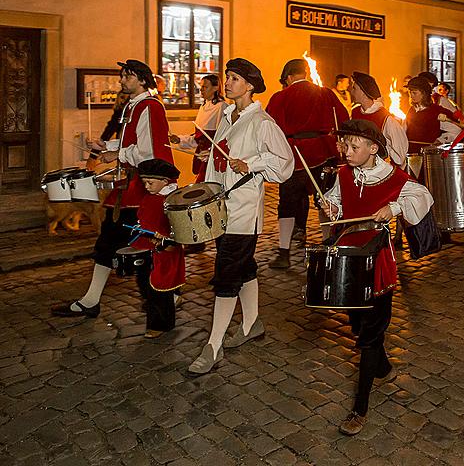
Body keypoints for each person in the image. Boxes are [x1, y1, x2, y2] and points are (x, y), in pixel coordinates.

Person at [320, 119, 434, 436]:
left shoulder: (394, 177)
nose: (347, 151)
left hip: (378, 260)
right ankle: (382, 365)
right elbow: (337, 201)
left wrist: (394, 207)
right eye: (345, 145)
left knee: (370, 333)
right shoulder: (344, 174)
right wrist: (331, 207)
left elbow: (422, 197)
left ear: (373, 149)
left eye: (355, 146)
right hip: (347, 257)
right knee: (357, 324)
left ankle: (360, 407)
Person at [188, 58, 294, 375]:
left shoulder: (261, 122)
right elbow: (219, 155)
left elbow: (284, 163)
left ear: (249, 85)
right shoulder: (227, 116)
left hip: (243, 212)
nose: (228, 82)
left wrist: (252, 164)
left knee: (226, 275)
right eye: (227, 77)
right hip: (221, 208)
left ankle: (214, 345)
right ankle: (251, 324)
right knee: (243, 267)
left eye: (234, 78)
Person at [52, 60, 174, 318]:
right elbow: (134, 142)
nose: (121, 81)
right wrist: (105, 145)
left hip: (144, 188)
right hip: (133, 187)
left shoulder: (149, 107)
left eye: (127, 76)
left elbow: (148, 150)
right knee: (116, 243)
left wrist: (117, 155)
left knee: (130, 244)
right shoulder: (136, 106)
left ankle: (165, 297)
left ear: (141, 79)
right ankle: (94, 300)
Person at [266, 58, 349, 269]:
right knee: (325, 201)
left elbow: (269, 128)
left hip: (293, 156)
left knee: (287, 205)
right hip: (324, 151)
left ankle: (284, 253)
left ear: (289, 77)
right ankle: (328, 247)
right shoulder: (326, 93)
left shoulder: (280, 97)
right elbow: (342, 117)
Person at [132, 158, 186, 338]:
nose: (146, 186)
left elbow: (179, 227)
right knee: (144, 281)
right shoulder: (149, 198)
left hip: (164, 251)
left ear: (165, 181)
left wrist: (166, 237)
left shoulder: (172, 201)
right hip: (146, 247)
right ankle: (159, 306)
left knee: (159, 287)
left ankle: (161, 324)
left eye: (150, 182)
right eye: (144, 183)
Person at [171, 74, 227, 179]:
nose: (201, 90)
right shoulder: (203, 106)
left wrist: (211, 152)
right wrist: (180, 139)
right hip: (201, 155)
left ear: (215, 88)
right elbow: (198, 137)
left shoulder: (222, 107)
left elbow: (222, 138)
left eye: (205, 87)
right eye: (201, 87)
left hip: (212, 158)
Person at [404, 75, 462, 177]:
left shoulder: (437, 111)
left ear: (423, 93)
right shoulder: (411, 110)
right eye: (410, 93)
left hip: (429, 158)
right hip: (411, 157)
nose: (411, 96)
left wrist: (440, 140)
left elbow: (456, 130)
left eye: (414, 93)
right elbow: (404, 130)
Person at [349, 71, 408, 169]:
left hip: (378, 172)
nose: (351, 92)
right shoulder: (355, 112)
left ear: (364, 93)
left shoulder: (386, 119)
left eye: (354, 88)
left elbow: (399, 157)